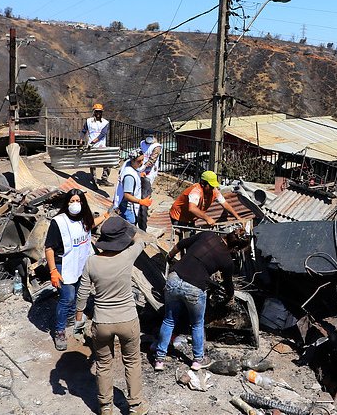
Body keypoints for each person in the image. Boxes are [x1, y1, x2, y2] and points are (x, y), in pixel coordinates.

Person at [75, 216, 148, 415]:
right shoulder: (128, 256)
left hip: (102, 321)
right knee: (132, 362)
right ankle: (135, 406)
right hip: (127, 319)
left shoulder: (92, 262)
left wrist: (79, 318)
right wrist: (128, 234)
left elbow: (82, 293)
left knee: (103, 364)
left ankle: (105, 407)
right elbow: (140, 239)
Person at [153, 227, 252, 371]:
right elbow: (228, 283)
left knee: (169, 320)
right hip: (194, 288)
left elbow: (182, 244)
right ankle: (197, 361)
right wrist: (230, 296)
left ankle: (159, 360)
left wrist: (169, 256)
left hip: (174, 279)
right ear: (235, 247)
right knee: (197, 324)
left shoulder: (208, 235)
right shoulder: (227, 260)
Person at [44, 189, 96, 351]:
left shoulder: (84, 219)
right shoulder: (58, 222)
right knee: (67, 297)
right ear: (67, 203)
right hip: (63, 264)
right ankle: (59, 330)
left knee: (79, 294)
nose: (75, 204)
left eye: (78, 201)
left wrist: (106, 217)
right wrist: (53, 270)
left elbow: (91, 227)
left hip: (80, 264)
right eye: (72, 201)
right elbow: (49, 248)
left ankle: (71, 319)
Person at [169, 170, 242, 232]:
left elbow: (225, 204)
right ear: (203, 183)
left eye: (213, 186)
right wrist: (207, 218)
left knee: (191, 238)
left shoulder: (214, 191)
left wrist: (238, 218)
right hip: (178, 216)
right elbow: (192, 208)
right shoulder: (196, 191)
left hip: (190, 218)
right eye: (210, 186)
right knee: (181, 241)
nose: (212, 188)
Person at [112, 149, 152, 227]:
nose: (141, 163)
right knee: (130, 226)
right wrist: (141, 201)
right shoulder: (129, 177)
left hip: (125, 204)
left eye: (142, 160)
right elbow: (127, 195)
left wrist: (138, 173)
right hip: (128, 208)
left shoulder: (128, 163)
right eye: (139, 161)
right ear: (132, 161)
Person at [81, 103, 111, 185]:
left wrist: (93, 141)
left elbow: (103, 134)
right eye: (97, 111)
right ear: (94, 112)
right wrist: (81, 139)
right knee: (92, 164)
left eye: (100, 112)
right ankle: (93, 179)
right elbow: (84, 131)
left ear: (102, 112)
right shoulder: (88, 121)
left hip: (101, 146)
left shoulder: (105, 122)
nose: (98, 113)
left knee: (107, 163)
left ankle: (104, 179)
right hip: (91, 147)